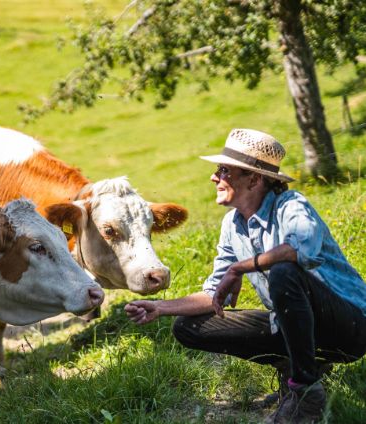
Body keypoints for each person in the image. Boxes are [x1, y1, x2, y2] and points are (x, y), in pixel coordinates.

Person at [124, 129, 366, 424]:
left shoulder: (291, 206)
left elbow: (299, 250)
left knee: (283, 272)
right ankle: (295, 367)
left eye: (224, 170)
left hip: (350, 326)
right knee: (187, 327)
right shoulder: (232, 225)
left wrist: (240, 267)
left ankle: (305, 390)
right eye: (217, 170)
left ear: (254, 179)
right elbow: (215, 293)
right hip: (297, 324)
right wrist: (159, 307)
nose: (215, 177)